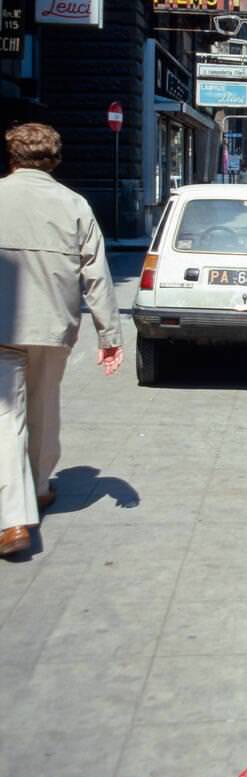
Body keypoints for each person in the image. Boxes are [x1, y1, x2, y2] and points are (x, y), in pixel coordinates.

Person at [0, 123, 123, 559]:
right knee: (44, 406)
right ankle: (37, 487)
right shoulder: (74, 204)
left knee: (6, 417)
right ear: (53, 160)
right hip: (53, 326)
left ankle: (13, 519)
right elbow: (96, 273)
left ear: (11, 157)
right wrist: (109, 334)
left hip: (2, 328)